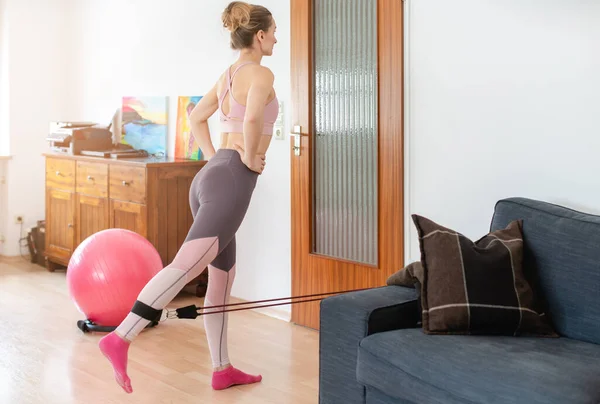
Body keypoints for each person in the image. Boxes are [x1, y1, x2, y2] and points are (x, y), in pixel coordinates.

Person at [98, 1, 278, 394]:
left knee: (221, 279)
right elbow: (250, 119)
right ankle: (120, 337)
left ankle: (221, 368)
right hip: (231, 182)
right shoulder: (261, 74)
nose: (276, 39)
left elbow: (196, 117)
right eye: (274, 32)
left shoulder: (228, 75)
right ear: (260, 35)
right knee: (184, 267)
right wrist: (246, 157)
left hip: (212, 177)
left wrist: (218, 159)